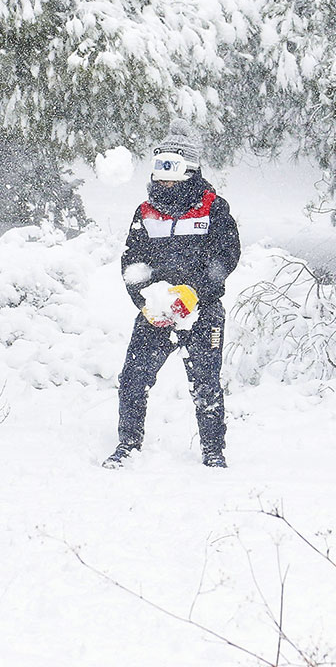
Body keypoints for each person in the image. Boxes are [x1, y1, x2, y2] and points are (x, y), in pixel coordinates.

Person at [104, 129, 242, 469]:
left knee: (206, 383)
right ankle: (128, 445)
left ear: (190, 170)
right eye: (159, 169)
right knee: (134, 377)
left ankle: (213, 453)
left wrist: (196, 291)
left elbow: (226, 257)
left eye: (173, 169)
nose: (164, 179)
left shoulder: (214, 208)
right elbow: (133, 263)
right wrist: (145, 301)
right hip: (158, 310)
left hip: (202, 310)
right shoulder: (145, 212)